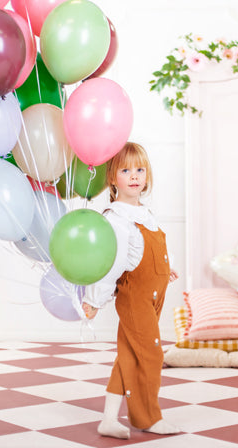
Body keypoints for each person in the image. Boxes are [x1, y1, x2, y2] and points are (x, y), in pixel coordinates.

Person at [82, 141, 180, 439]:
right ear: (113, 178)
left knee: (128, 355)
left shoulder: (144, 213)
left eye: (140, 170)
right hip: (135, 297)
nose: (134, 176)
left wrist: (165, 267)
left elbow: (148, 250)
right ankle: (148, 417)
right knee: (151, 354)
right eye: (125, 171)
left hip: (153, 296)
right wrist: (95, 300)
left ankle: (108, 420)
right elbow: (112, 264)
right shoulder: (117, 218)